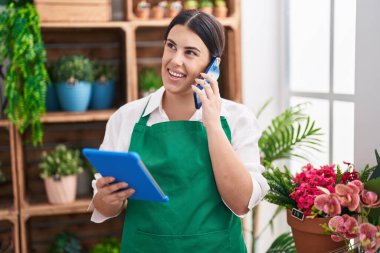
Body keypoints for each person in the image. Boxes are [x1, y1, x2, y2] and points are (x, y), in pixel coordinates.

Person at [90, 9, 269, 252]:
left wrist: (213, 125)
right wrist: (107, 198)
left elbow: (240, 203)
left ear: (213, 64)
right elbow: (104, 207)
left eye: (190, 53)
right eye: (171, 46)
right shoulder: (127, 118)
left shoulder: (238, 119)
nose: (175, 60)